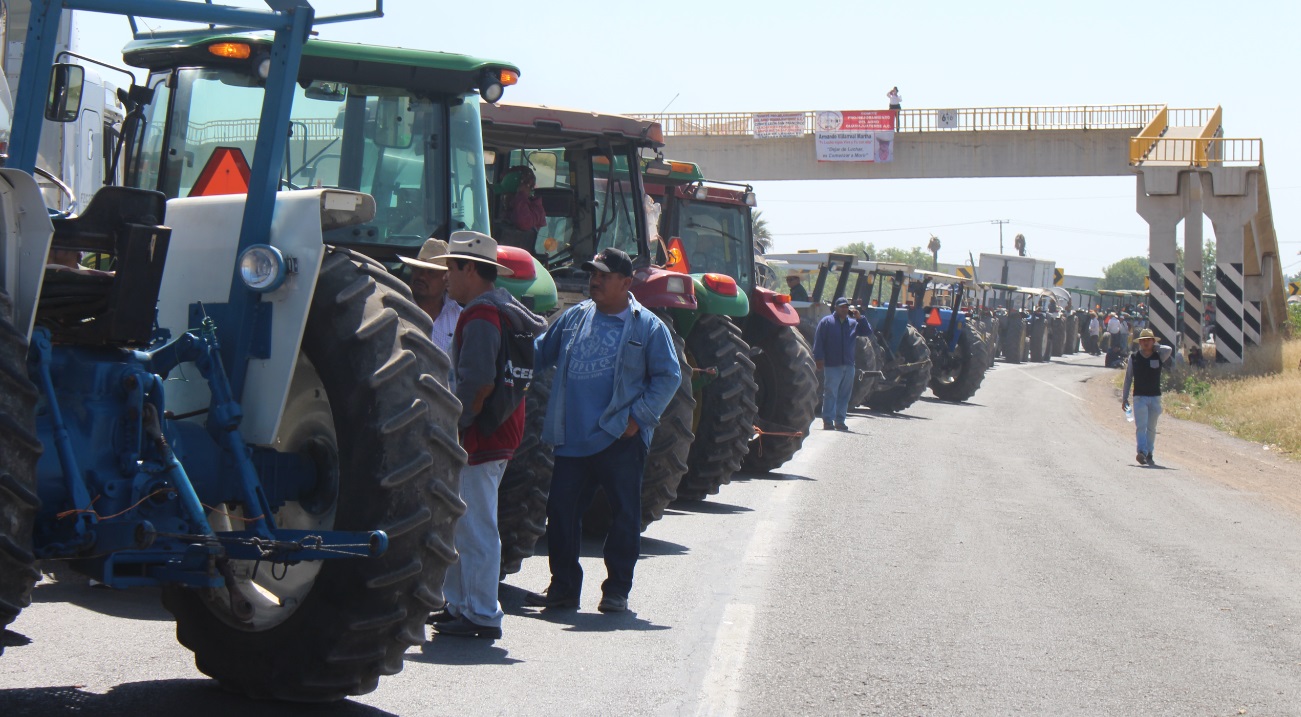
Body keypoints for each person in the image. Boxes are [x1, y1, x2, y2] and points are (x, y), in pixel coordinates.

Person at [525, 247, 681, 614]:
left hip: (619, 439)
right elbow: (539, 353)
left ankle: (616, 591)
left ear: (626, 283)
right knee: (561, 514)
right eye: (593, 274)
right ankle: (563, 588)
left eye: (604, 275)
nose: (595, 280)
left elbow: (669, 377)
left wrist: (636, 418)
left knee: (624, 515)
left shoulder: (648, 326)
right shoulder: (575, 317)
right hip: (572, 438)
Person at [428, 231, 547, 639]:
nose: (446, 277)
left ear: (468, 269)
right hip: (499, 428)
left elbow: (476, 383)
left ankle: (480, 611)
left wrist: (456, 428)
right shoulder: (506, 309)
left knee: (475, 525)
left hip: (477, 435)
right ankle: (460, 604)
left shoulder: (478, 316)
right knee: (465, 523)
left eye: (450, 268)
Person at [812, 297, 873, 431]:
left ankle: (840, 421)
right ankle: (828, 421)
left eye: (846, 307)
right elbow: (819, 342)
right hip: (832, 365)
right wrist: (819, 358)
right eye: (842, 307)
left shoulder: (852, 323)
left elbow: (867, 332)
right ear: (836, 308)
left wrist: (860, 318)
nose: (844, 309)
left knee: (845, 395)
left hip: (849, 365)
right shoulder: (826, 322)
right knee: (830, 393)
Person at [399, 237, 460, 354]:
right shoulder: (397, 309)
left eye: (431, 272)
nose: (421, 276)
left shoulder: (459, 316)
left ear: (446, 278)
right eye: (418, 269)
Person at [1122, 328, 1173, 466]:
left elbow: (1168, 349)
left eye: (1148, 340)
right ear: (1139, 342)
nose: (1145, 343)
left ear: (1153, 342)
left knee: (1151, 427)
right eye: (1143, 340)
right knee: (1141, 426)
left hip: (1155, 397)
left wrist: (1155, 346)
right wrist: (1124, 398)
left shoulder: (1159, 356)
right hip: (1139, 397)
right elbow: (1128, 379)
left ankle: (1149, 452)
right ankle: (1142, 452)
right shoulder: (1134, 358)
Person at [503, 166, 546, 232]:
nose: (505, 197)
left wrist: (521, 195)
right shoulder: (507, 204)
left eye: (509, 193)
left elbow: (524, 222)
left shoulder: (535, 208)